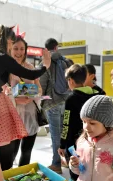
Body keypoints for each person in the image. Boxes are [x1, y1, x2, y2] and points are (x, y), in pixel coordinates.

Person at [0, 25, 51, 171]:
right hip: (0, 106)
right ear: (5, 41)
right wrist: (45, 66)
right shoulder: (0, 57)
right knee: (6, 153)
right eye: (11, 44)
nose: (11, 48)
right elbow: (31, 74)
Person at [57, 64, 100, 181]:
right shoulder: (96, 95)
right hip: (94, 141)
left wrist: (62, 144)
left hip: (74, 145)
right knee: (92, 171)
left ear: (70, 81)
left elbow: (66, 124)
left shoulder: (71, 99)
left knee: (76, 172)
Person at [39, 38, 72, 174]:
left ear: (46, 49)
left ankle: (56, 164)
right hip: (67, 101)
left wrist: (42, 100)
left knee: (55, 135)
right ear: (56, 47)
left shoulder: (46, 63)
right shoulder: (67, 61)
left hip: (53, 103)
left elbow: (42, 85)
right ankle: (69, 161)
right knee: (66, 133)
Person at [9, 35, 42, 167]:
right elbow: (0, 92)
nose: (19, 52)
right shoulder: (6, 69)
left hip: (30, 115)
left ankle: (22, 179)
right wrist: (15, 99)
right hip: (12, 116)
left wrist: (33, 93)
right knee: (11, 153)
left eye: (22, 49)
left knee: (26, 152)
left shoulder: (30, 68)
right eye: (15, 48)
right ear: (10, 49)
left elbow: (39, 89)